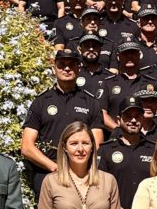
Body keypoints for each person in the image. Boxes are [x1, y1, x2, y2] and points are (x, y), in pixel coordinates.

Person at [21, 49, 105, 197]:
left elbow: (97, 144)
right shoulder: (40, 102)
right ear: (54, 68)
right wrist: (55, 168)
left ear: (79, 68)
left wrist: (77, 170)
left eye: (71, 64)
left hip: (82, 175)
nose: (66, 68)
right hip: (48, 172)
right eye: (61, 64)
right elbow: (27, 147)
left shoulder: (91, 103)